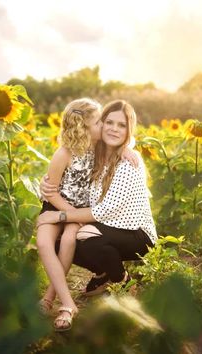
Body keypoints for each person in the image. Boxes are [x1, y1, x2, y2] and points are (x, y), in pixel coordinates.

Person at [37, 99, 157, 304]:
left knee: (80, 238)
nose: (110, 128)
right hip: (87, 215)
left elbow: (104, 210)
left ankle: (122, 282)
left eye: (121, 125)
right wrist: (46, 184)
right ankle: (101, 274)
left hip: (130, 230)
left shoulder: (123, 160)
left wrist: (59, 215)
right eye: (106, 122)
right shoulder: (92, 151)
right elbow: (60, 179)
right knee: (55, 243)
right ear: (93, 126)